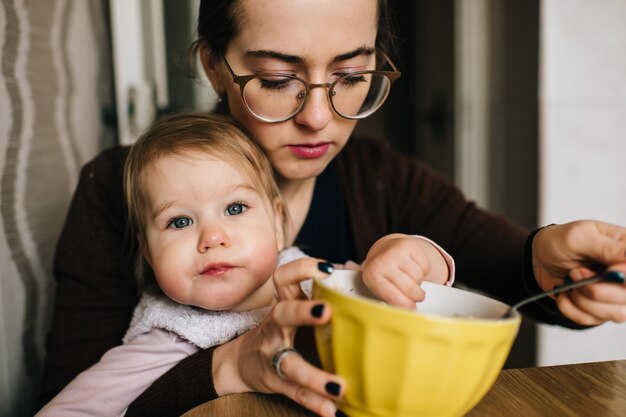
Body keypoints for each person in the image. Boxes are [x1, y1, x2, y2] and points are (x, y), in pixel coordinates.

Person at [38, 1, 626, 416]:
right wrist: (232, 365)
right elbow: (78, 399)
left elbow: (496, 263)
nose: (318, 116)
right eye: (276, 78)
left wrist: (544, 263)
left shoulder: (380, 178)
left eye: (350, 75)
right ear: (215, 66)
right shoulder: (118, 188)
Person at [36, 112, 454, 416]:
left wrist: (410, 253)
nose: (212, 237)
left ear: (277, 221)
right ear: (147, 253)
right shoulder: (167, 336)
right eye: (180, 221)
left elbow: (406, 299)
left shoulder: (312, 279)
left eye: (235, 208)